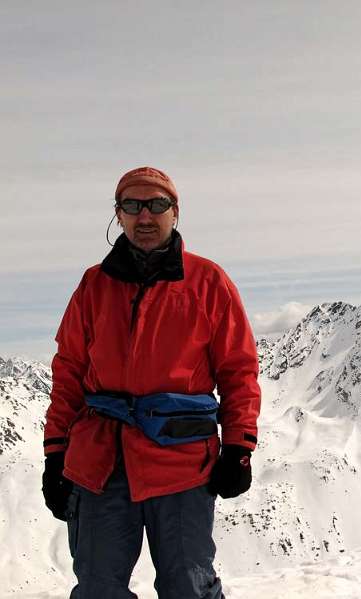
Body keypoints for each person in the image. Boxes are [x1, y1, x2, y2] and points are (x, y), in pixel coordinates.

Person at [41, 166, 261, 599]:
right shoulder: (93, 286)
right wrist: (55, 453)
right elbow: (68, 372)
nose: (145, 217)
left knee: (188, 586)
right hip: (100, 460)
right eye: (132, 206)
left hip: (181, 460)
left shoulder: (207, 282)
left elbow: (238, 368)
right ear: (118, 215)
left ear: (175, 212)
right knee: (99, 588)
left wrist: (240, 445)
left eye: (156, 205)